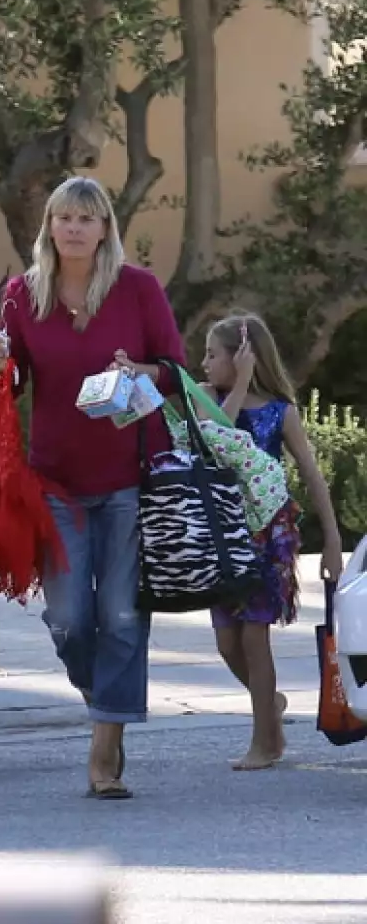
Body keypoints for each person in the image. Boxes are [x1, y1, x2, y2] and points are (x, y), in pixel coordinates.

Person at [0, 176, 185, 801]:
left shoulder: (138, 289)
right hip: (56, 480)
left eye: (86, 218)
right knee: (69, 619)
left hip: (129, 476)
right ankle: (109, 699)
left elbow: (175, 373)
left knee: (121, 614)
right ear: (49, 226)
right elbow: (11, 386)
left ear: (104, 229)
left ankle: (104, 752)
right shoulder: (24, 294)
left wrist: (139, 371)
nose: (73, 228)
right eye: (63, 217)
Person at [201, 313, 342, 770]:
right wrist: (237, 384)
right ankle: (271, 705)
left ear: (243, 358)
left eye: (212, 354)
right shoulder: (205, 399)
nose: (202, 363)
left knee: (254, 636)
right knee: (227, 644)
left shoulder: (280, 412)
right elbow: (221, 435)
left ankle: (266, 743)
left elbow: (312, 475)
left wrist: (334, 541)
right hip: (223, 535)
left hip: (269, 534)